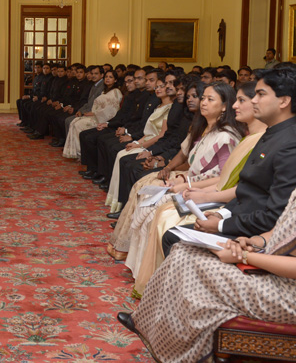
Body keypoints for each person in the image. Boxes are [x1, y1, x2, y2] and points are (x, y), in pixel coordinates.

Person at [118, 186, 296, 363]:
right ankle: (148, 324)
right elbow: (277, 232)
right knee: (184, 251)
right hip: (273, 269)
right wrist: (252, 241)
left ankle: (181, 350)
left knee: (195, 267)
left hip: (287, 294)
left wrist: (246, 256)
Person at [131, 81, 266, 296]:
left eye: (242, 101)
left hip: (231, 208)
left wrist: (198, 191)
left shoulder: (245, 138)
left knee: (165, 217)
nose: (235, 106)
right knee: (153, 200)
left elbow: (233, 184)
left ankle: (163, 289)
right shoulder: (251, 137)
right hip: (218, 198)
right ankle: (152, 281)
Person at [162, 64, 296, 255]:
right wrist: (220, 213)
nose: (254, 101)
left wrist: (222, 225)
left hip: (256, 235)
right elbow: (246, 189)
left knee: (174, 238)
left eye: (261, 95)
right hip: (240, 218)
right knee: (173, 234)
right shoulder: (271, 133)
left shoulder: (289, 144)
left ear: (283, 101)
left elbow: (276, 215)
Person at [107, 83, 243, 262]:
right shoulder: (202, 126)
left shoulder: (226, 136)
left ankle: (148, 262)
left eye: (210, 100)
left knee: (156, 204)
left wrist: (185, 183)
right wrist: (173, 172)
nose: (203, 103)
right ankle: (129, 252)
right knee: (143, 185)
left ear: (225, 106)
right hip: (189, 178)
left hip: (205, 189)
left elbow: (223, 177)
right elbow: (186, 157)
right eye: (203, 98)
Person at [105, 73, 175, 213]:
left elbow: (161, 135)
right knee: (121, 154)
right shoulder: (158, 105)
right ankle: (118, 201)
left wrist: (141, 146)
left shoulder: (171, 109)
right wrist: (137, 142)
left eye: (162, 86)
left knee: (126, 159)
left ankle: (126, 206)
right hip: (146, 140)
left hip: (154, 144)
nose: (158, 88)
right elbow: (147, 131)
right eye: (158, 86)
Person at [62, 69, 122, 158]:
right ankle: (75, 151)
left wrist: (94, 113)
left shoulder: (116, 92)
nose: (107, 79)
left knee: (78, 124)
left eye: (110, 77)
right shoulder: (105, 91)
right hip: (96, 115)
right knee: (74, 121)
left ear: (115, 80)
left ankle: (81, 153)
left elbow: (112, 110)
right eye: (106, 77)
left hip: (103, 119)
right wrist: (92, 112)